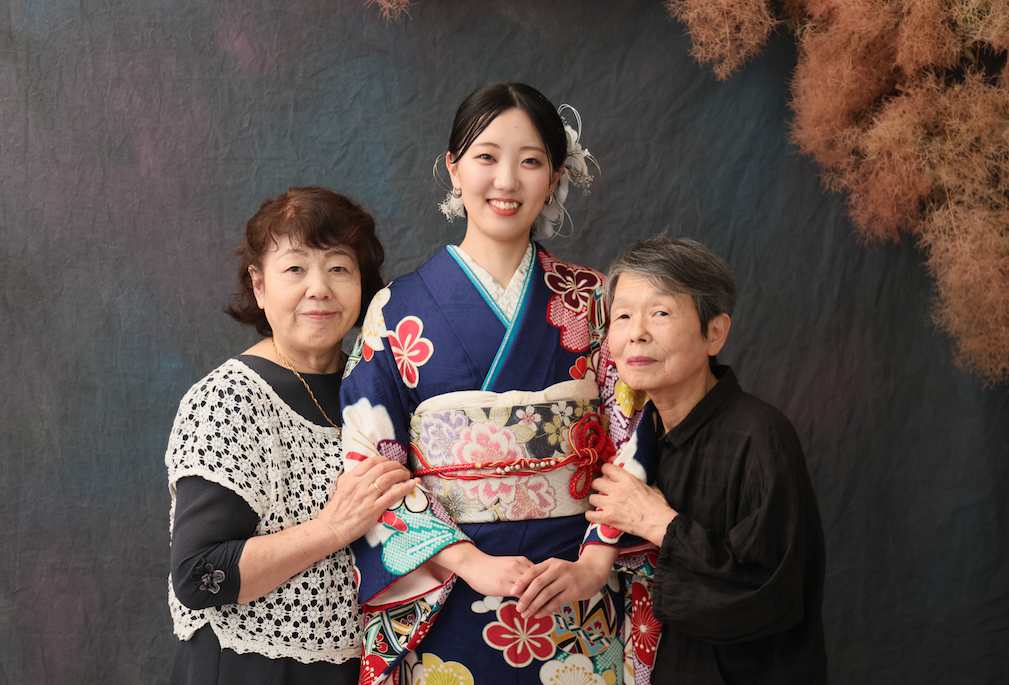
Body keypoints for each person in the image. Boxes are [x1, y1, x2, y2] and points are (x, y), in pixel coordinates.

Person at [340, 83, 657, 685]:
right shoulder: (397, 309)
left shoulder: (593, 299)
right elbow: (370, 462)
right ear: (454, 169)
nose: (506, 180)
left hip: (573, 590)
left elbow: (634, 433)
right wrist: (469, 562)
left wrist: (595, 563)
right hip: (451, 591)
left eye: (530, 161)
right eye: (486, 157)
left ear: (554, 176)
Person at [165, 187, 417, 685]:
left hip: (361, 668)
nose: (319, 288)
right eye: (296, 268)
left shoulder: (381, 386)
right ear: (259, 286)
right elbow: (199, 575)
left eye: (339, 267)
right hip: (249, 669)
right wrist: (331, 529)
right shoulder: (229, 400)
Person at [587, 236, 828, 684]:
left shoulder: (760, 435)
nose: (637, 332)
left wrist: (660, 524)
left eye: (660, 313)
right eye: (622, 316)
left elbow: (768, 593)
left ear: (714, 333)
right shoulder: (632, 436)